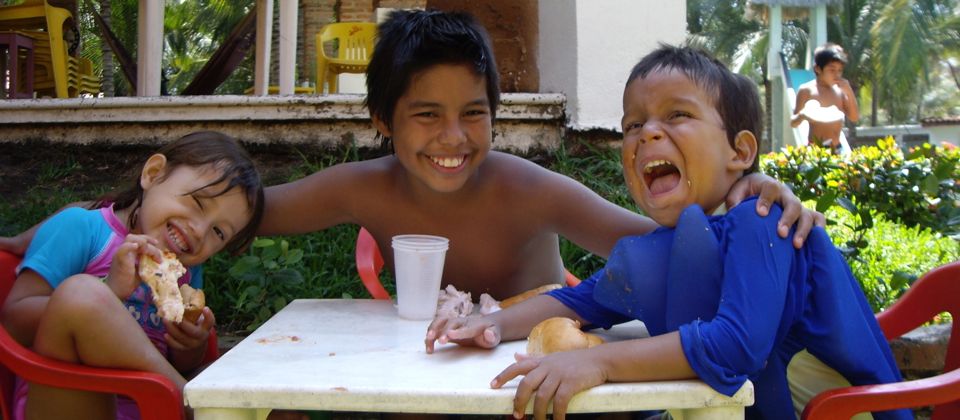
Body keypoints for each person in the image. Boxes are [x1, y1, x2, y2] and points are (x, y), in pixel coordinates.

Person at [0, 11, 820, 301]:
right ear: (384, 121)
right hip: (424, 379)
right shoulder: (364, 186)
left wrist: (745, 195)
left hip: (531, 380)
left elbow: (651, 242)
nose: (453, 139)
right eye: (426, 115)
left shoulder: (530, 188)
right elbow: (229, 211)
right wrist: (47, 241)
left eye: (474, 114)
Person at [425, 45, 909, 420]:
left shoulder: (763, 218)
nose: (647, 134)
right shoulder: (670, 247)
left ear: (740, 152)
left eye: (677, 115)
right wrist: (485, 326)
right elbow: (579, 301)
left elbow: (735, 345)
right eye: (632, 124)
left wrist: (600, 363)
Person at [1, 131, 265, 420]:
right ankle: (195, 407)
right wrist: (110, 291)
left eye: (218, 232)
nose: (199, 230)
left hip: (147, 409)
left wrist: (190, 346)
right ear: (152, 174)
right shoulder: (82, 230)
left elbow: (179, 362)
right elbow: (13, 320)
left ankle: (194, 403)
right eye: (198, 202)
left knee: (257, 374)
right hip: (67, 401)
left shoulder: (186, 274)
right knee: (81, 294)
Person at [791, 43, 860, 153]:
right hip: (815, 150)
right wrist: (803, 115)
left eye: (840, 70)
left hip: (836, 148)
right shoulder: (807, 90)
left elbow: (854, 117)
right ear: (818, 69)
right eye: (832, 70)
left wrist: (849, 91)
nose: (836, 75)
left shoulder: (840, 91)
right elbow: (793, 123)